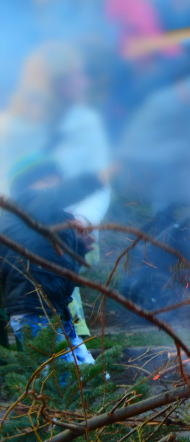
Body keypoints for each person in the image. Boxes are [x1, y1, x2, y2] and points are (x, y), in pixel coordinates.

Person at [0, 41, 113, 358]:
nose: (84, 82)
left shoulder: (85, 123)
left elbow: (98, 184)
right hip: (22, 240)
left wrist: (82, 224)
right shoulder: (9, 127)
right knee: (34, 304)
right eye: (74, 76)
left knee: (60, 304)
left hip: (69, 234)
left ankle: (75, 369)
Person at [0, 155, 102, 366]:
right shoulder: (24, 204)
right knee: (63, 381)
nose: (55, 186)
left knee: (89, 378)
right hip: (34, 312)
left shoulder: (52, 218)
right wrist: (100, 176)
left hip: (56, 311)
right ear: (25, 186)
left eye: (57, 180)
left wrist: (79, 248)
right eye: (47, 180)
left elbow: (61, 267)